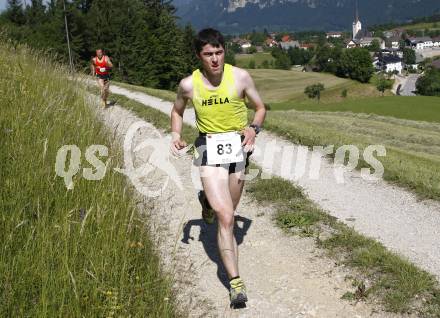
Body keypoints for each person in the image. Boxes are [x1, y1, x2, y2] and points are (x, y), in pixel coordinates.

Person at [170, 28, 266, 307]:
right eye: (208, 54)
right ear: (199, 56)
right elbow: (177, 111)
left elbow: (260, 108)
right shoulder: (189, 84)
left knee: (231, 211)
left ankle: (207, 204)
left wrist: (253, 129)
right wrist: (176, 135)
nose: (214, 59)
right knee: (226, 217)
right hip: (208, 147)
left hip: (237, 148)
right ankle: (235, 283)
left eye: (219, 52)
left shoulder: (240, 77)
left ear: (225, 51)